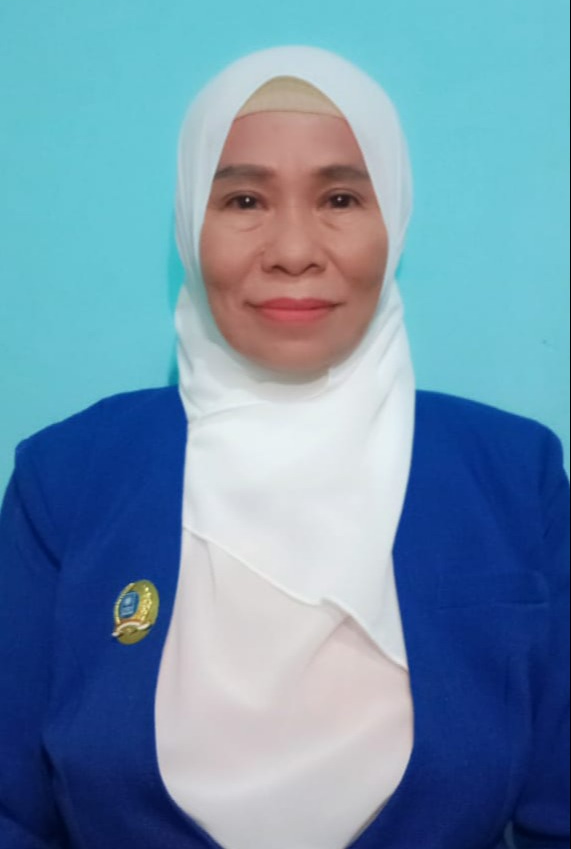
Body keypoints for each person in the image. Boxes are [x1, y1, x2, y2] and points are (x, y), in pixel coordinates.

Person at [0, 46, 569, 849]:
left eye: (340, 197)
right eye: (243, 200)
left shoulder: (510, 473)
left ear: (393, 219)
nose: (294, 250)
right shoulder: (71, 476)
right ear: (189, 223)